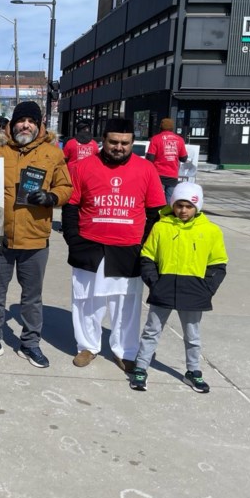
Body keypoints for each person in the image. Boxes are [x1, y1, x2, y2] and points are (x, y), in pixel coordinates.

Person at [0, 101, 72, 368]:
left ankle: (30, 343)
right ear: (11, 124)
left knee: (32, 296)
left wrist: (51, 196)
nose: (25, 125)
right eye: (21, 120)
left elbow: (66, 187)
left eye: (31, 121)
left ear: (39, 126)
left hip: (35, 236)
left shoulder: (52, 153)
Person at [61, 117, 166, 373]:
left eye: (125, 143)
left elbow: (154, 212)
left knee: (125, 304)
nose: (119, 147)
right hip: (89, 245)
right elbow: (71, 207)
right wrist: (73, 239)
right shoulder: (82, 167)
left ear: (132, 143)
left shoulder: (146, 169)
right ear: (103, 140)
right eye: (113, 142)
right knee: (86, 300)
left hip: (128, 248)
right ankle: (87, 346)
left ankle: (125, 351)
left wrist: (145, 245)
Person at [130, 182, 227, 393]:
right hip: (163, 287)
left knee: (192, 336)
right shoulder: (161, 227)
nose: (183, 210)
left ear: (197, 207)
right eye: (179, 205)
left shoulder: (210, 231)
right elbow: (148, 255)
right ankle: (141, 367)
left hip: (194, 290)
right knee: (151, 331)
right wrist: (154, 282)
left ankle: (193, 371)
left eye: (189, 206)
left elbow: (218, 263)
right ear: (173, 204)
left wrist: (207, 288)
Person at [146, 118, 188, 204]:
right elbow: (184, 158)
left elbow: (150, 158)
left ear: (160, 127)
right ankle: (167, 216)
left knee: (156, 198)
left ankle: (157, 216)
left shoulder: (155, 139)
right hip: (172, 174)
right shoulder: (179, 140)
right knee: (170, 198)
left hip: (157, 174)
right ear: (173, 128)